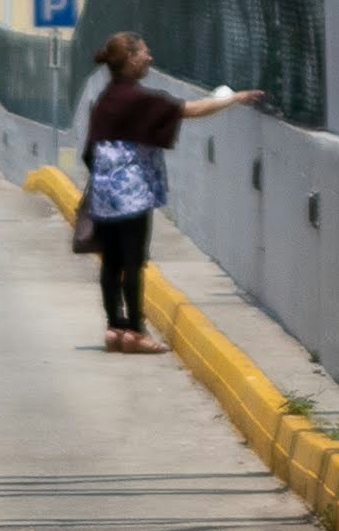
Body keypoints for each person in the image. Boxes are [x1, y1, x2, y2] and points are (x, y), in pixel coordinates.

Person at [73, 30, 256, 349]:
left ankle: (114, 327)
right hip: (131, 192)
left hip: (104, 192)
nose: (149, 57)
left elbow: (90, 150)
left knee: (112, 260)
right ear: (130, 59)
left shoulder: (105, 99)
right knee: (133, 261)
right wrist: (233, 99)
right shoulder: (137, 98)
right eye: (144, 52)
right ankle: (136, 331)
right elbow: (190, 110)